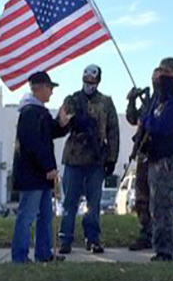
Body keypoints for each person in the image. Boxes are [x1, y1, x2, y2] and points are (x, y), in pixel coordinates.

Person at [58, 64, 119, 255]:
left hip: (96, 160)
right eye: (86, 80)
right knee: (69, 202)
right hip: (74, 158)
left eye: (92, 81)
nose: (89, 84)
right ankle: (65, 239)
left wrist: (111, 158)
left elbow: (113, 132)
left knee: (94, 203)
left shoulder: (106, 102)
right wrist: (72, 122)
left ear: (98, 81)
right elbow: (60, 123)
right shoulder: (73, 99)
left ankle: (92, 239)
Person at [11, 72, 71, 263]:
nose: (51, 93)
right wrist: (48, 167)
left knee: (45, 216)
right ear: (41, 87)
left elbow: (51, 132)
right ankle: (20, 257)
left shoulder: (40, 112)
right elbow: (34, 144)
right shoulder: (30, 113)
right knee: (27, 216)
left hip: (42, 176)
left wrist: (63, 124)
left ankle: (43, 253)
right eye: (50, 88)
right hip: (33, 174)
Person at [141, 57, 173, 262]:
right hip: (155, 156)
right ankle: (167, 247)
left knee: (162, 204)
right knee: (159, 204)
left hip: (170, 157)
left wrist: (145, 120)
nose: (159, 76)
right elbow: (147, 117)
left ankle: (165, 251)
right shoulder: (159, 97)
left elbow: (163, 125)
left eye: (163, 72)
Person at [125, 68, 160, 251]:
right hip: (143, 152)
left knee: (159, 198)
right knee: (141, 197)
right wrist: (132, 99)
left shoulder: (162, 101)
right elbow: (132, 118)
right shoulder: (148, 102)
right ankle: (145, 232)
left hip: (159, 154)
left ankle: (162, 235)